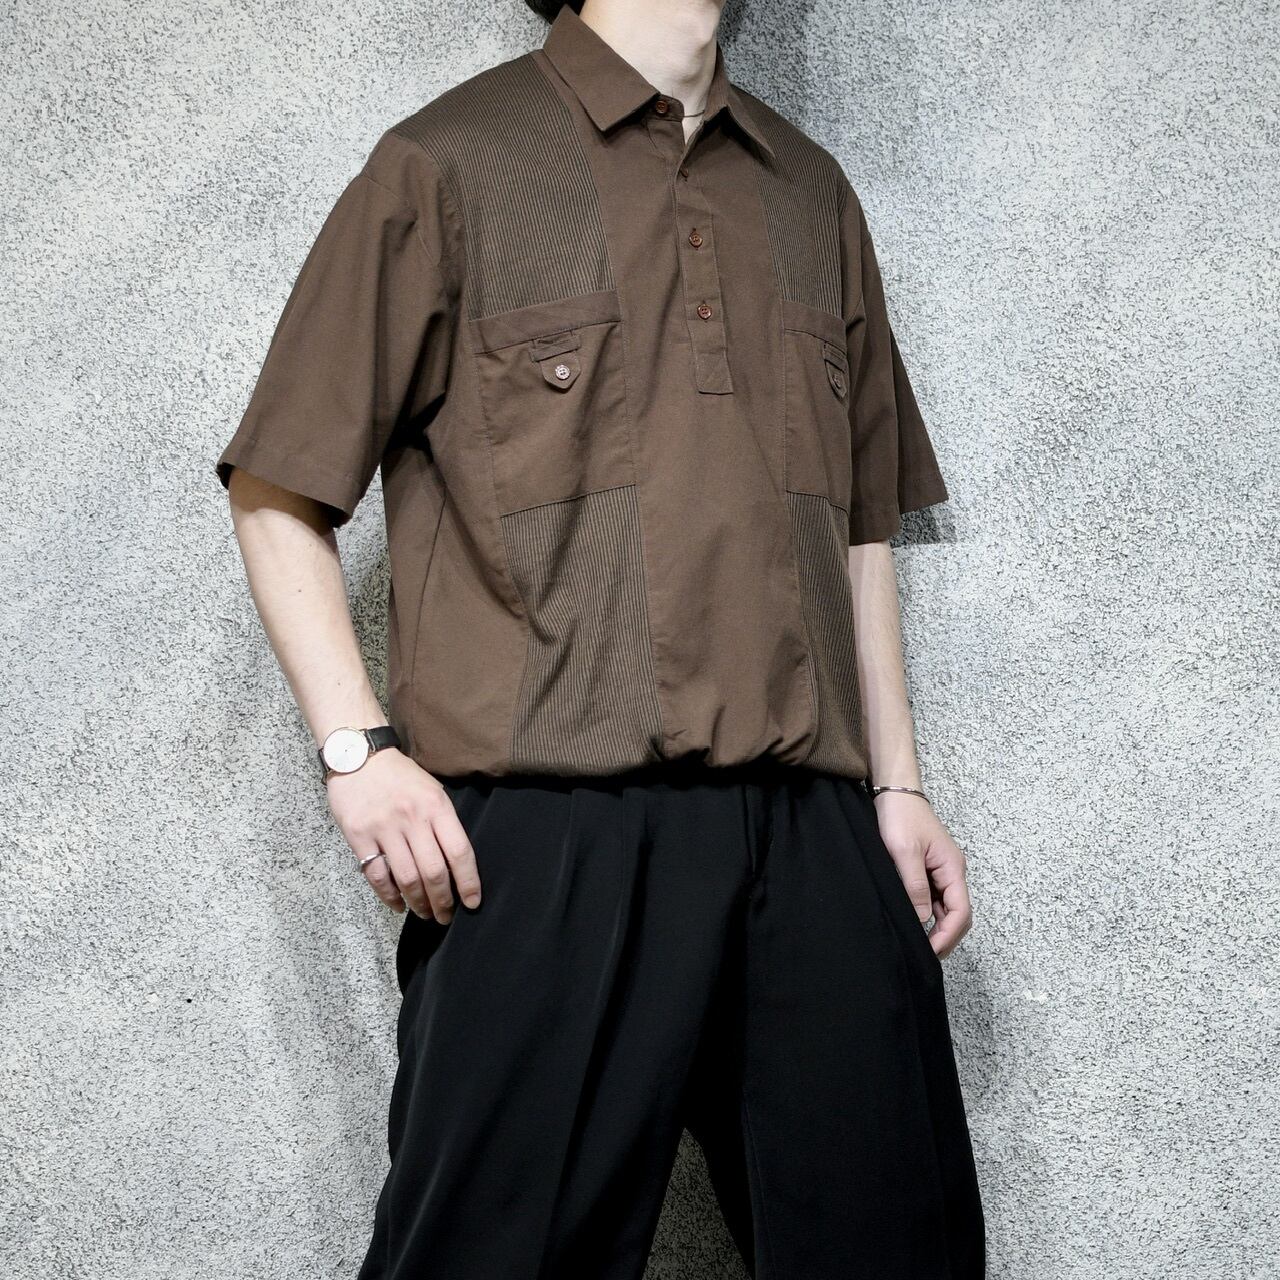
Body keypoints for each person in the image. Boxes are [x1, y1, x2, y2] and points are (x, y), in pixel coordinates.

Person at [215, 0, 986, 1274]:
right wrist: (358, 754)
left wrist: (895, 788)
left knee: (898, 1246)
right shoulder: (448, 163)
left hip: (810, 826)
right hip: (547, 834)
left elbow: (858, 529)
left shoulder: (810, 190)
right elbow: (277, 488)